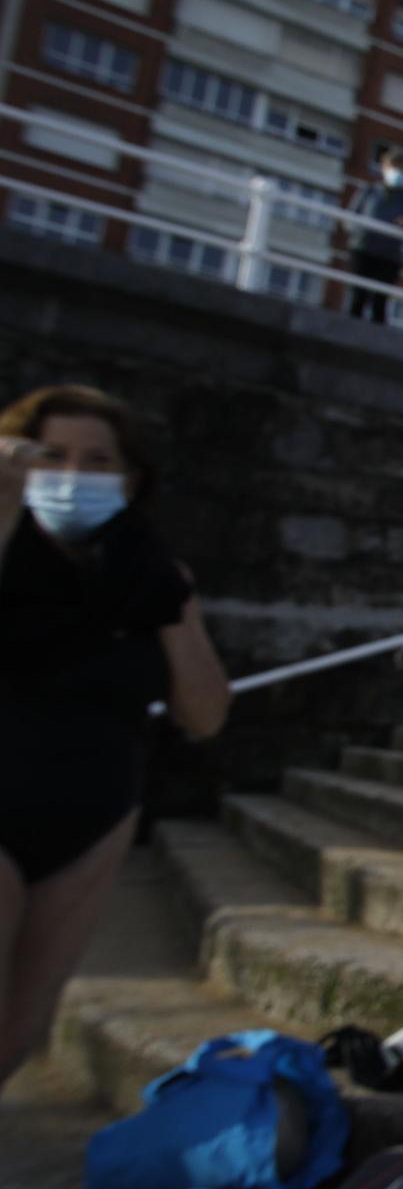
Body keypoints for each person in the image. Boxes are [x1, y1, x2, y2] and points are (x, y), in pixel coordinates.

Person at [0, 385, 230, 1087]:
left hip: (93, 817)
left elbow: (205, 713)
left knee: (21, 1025)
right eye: (52, 455)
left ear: (129, 479)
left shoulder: (150, 572)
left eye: (97, 461)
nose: (72, 476)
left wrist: (174, 611)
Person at [346, 151, 403, 325]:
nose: (399, 173)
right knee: (358, 296)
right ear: (384, 168)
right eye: (395, 168)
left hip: (389, 256)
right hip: (364, 250)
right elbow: (351, 218)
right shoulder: (369, 191)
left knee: (380, 302)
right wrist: (361, 233)